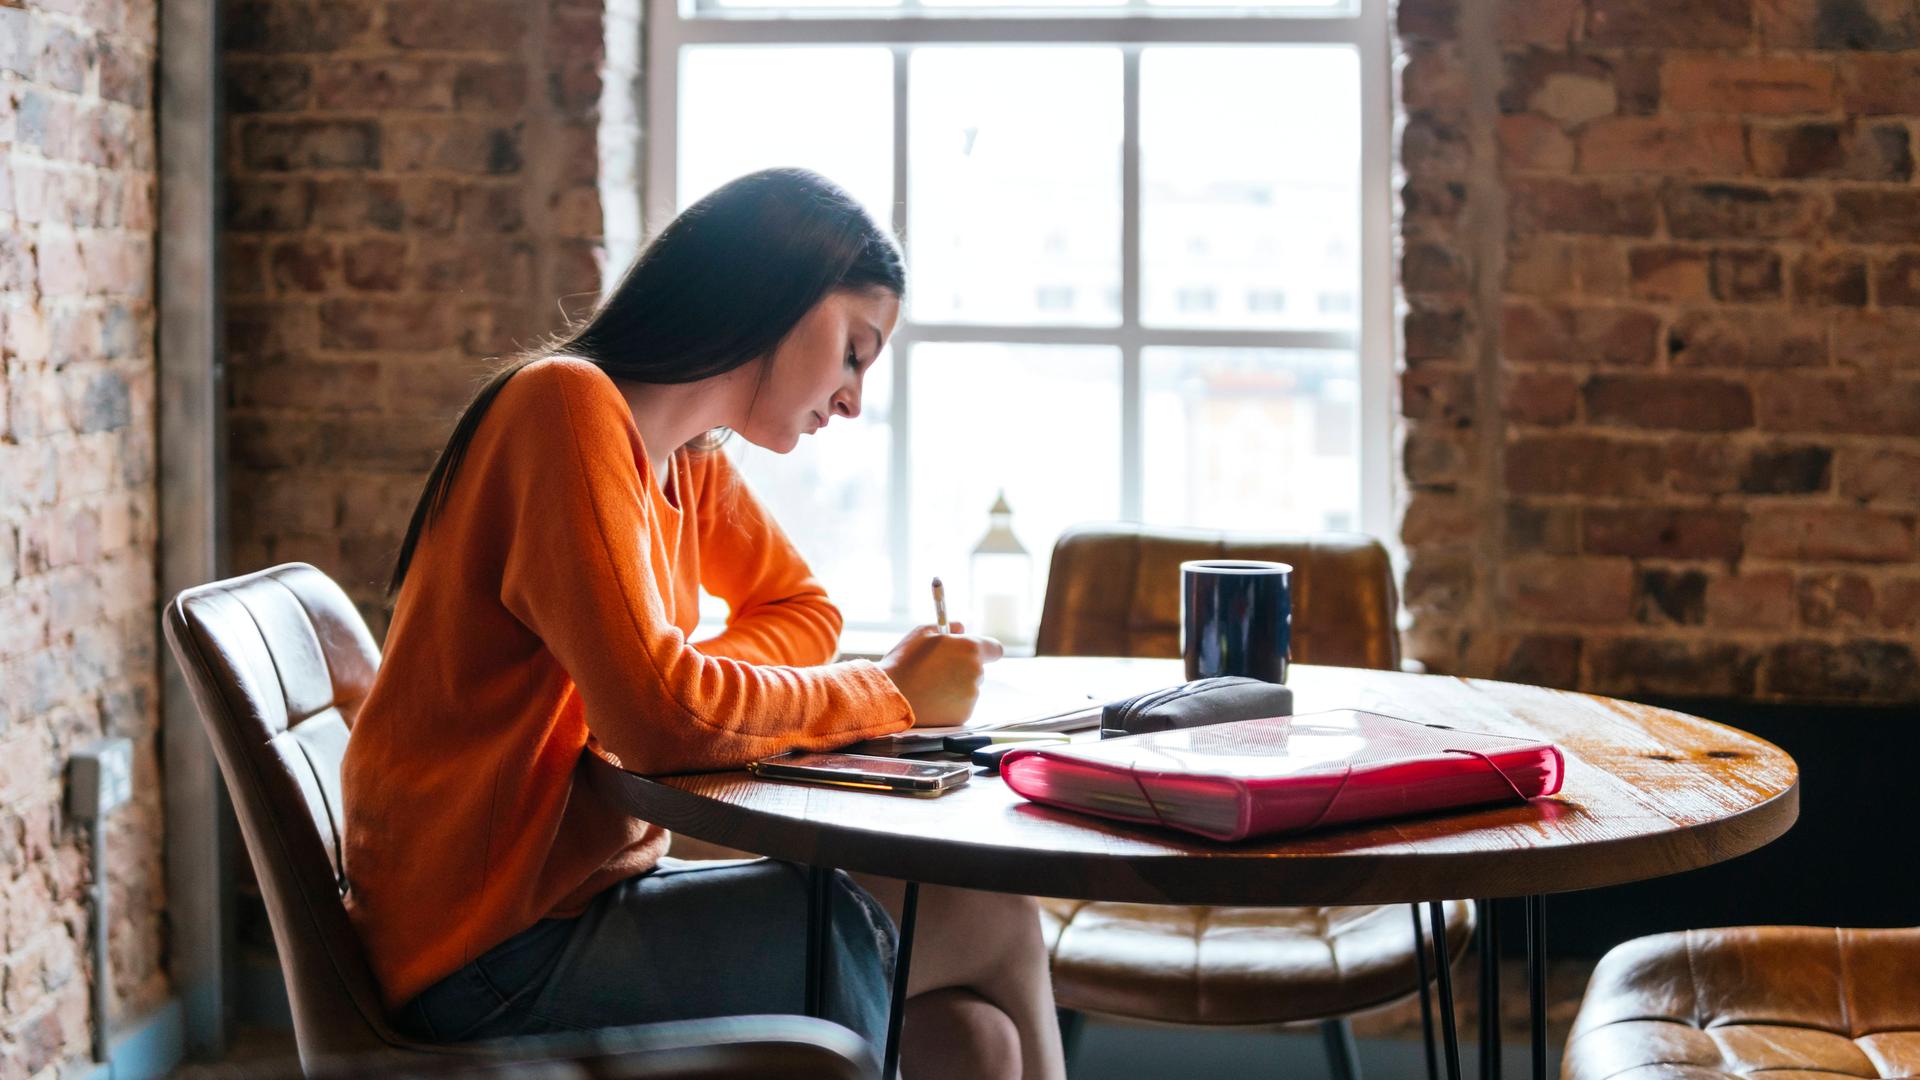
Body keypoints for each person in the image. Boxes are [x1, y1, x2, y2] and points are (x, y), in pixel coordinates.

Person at [339, 167, 1066, 1080]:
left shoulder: (686, 461)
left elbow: (800, 615)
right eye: (854, 351)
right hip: (484, 956)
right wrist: (886, 692)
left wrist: (676, 678)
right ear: (777, 293)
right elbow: (659, 721)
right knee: (982, 921)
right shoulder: (563, 407)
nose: (854, 398)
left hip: (575, 902)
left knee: (975, 1038)